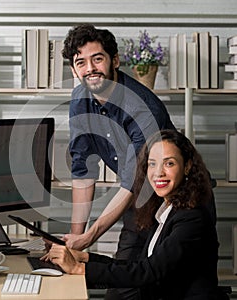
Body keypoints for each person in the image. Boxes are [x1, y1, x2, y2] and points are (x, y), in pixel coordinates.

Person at [46, 129, 220, 300]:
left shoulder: (192, 217)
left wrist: (79, 269)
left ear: (187, 166)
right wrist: (85, 258)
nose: (158, 172)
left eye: (169, 163)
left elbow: (148, 272)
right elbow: (138, 266)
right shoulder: (167, 210)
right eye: (152, 163)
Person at [62, 23, 176, 258]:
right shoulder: (79, 100)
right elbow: (83, 172)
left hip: (180, 201)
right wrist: (74, 240)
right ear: (74, 70)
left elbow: (132, 181)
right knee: (125, 283)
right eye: (81, 63)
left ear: (115, 60)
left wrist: (90, 236)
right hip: (140, 201)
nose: (90, 69)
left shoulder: (142, 108)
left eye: (97, 59)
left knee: (175, 283)